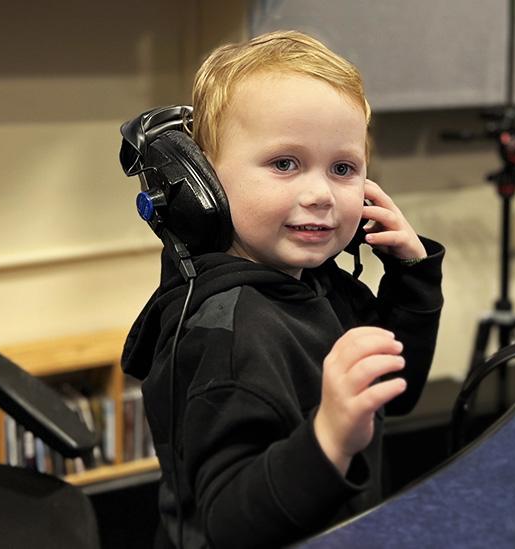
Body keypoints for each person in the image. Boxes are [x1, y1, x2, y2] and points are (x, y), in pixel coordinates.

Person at [121, 30, 444, 548]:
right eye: (284, 164)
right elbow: (227, 524)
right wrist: (328, 439)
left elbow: (392, 395)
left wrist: (412, 276)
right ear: (204, 180)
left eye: (343, 168)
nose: (319, 194)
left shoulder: (318, 282)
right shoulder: (226, 337)